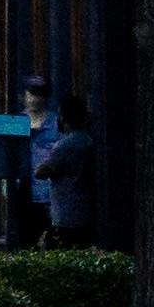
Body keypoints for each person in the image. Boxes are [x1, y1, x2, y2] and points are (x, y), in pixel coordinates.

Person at [30, 103, 102, 249]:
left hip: (65, 215)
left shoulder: (65, 145)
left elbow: (41, 172)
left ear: (63, 119)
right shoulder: (88, 141)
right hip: (85, 212)